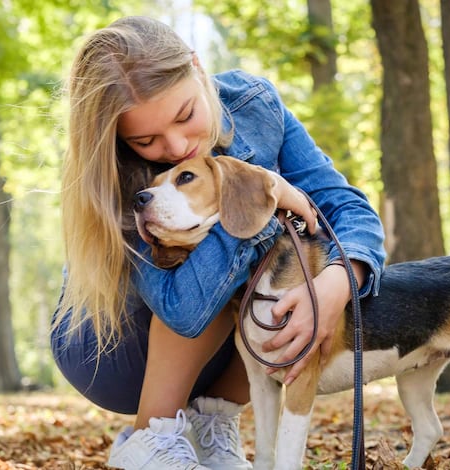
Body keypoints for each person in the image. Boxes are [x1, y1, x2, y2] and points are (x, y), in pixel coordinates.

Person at [50, 15, 386, 470]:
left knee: (275, 277)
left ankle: (212, 424)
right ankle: (152, 438)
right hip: (110, 345)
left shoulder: (254, 104)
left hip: (220, 337)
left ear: (197, 67)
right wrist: (263, 192)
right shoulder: (115, 168)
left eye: (186, 114)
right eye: (146, 140)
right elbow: (182, 308)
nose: (176, 146)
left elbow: (347, 209)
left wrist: (334, 285)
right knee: (224, 263)